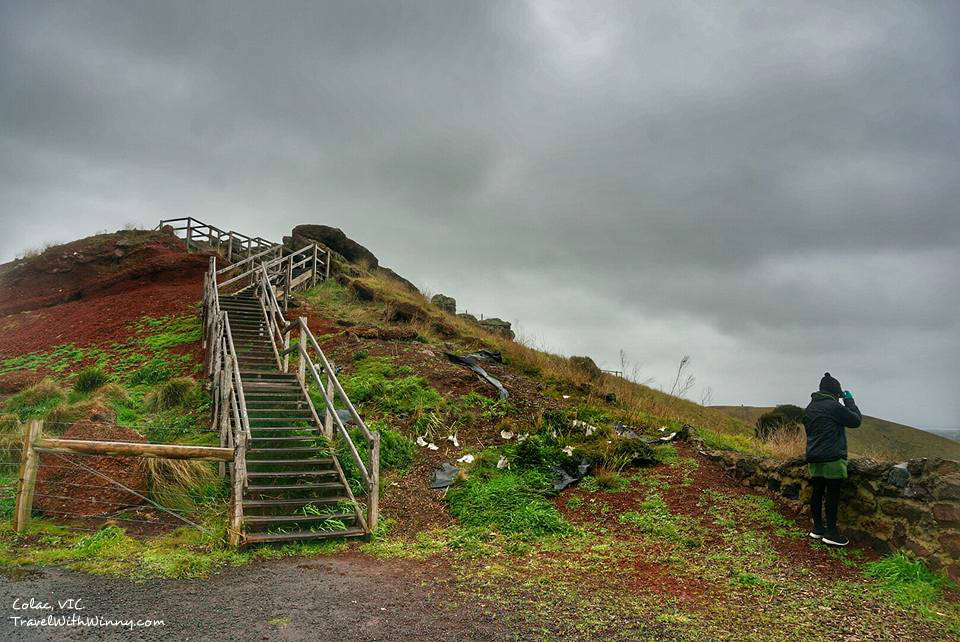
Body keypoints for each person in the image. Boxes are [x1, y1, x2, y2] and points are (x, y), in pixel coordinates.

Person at [803, 372, 862, 546]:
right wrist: (849, 401)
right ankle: (832, 533)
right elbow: (856, 421)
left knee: (817, 491)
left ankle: (817, 529)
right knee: (832, 495)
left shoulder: (810, 407)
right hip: (833, 458)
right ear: (836, 392)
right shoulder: (834, 406)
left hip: (814, 456)